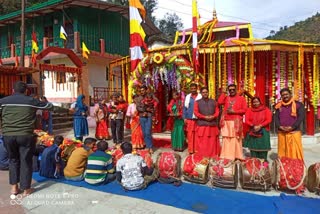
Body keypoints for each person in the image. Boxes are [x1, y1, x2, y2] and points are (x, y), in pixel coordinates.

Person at [0, 81, 53, 196]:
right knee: (25, 160)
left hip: (8, 135)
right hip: (25, 135)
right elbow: (49, 106)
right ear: (26, 91)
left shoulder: (3, 102)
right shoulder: (31, 101)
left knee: (13, 160)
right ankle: (26, 189)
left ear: (13, 90)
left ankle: (14, 188)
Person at [218, 84, 247, 160]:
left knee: (236, 139)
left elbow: (244, 110)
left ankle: (237, 155)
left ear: (236, 90)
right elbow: (219, 102)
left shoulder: (241, 99)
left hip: (236, 122)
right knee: (226, 138)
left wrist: (234, 112)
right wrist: (223, 93)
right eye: (230, 90)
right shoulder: (226, 98)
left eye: (233, 89)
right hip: (226, 121)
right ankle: (226, 155)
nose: (232, 91)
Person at [274, 88, 305, 160]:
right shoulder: (278, 106)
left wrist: (293, 127)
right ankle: (284, 168)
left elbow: (301, 117)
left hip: (294, 132)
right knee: (283, 152)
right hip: (282, 132)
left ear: (290, 94)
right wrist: (279, 126)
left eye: (286, 94)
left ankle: (296, 169)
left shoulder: (298, 105)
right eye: (283, 95)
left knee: (295, 152)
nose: (285, 96)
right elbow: (276, 117)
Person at [193, 87, 220, 158]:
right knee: (203, 143)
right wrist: (204, 117)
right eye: (203, 92)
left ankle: (213, 156)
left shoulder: (214, 102)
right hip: (202, 126)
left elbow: (217, 112)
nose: (205, 93)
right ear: (201, 93)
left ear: (208, 92)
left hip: (212, 126)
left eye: (206, 92)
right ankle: (203, 156)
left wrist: (213, 116)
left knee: (212, 142)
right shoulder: (197, 102)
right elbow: (196, 112)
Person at [136, 86, 159, 154]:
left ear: (146, 90)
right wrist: (145, 109)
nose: (142, 92)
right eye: (141, 90)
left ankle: (150, 147)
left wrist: (152, 96)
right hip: (142, 116)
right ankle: (147, 146)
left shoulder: (150, 96)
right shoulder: (138, 98)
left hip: (149, 116)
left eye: (143, 90)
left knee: (148, 132)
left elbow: (157, 101)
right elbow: (138, 108)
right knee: (144, 133)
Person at [183, 83, 202, 154]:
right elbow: (184, 108)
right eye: (192, 88)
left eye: (194, 88)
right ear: (190, 89)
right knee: (190, 134)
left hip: (198, 118)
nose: (193, 90)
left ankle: (197, 150)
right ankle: (190, 150)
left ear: (197, 88)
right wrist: (184, 117)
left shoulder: (200, 96)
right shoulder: (188, 97)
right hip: (189, 118)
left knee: (197, 134)